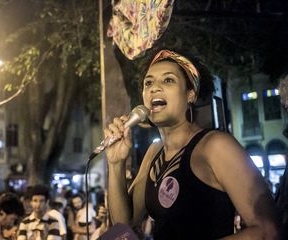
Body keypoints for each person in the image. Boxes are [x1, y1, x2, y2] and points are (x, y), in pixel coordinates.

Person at [105, 49, 281, 239]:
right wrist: (116, 164)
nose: (154, 88)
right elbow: (124, 224)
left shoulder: (215, 146)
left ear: (191, 94)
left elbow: (268, 231)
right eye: (148, 82)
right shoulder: (154, 152)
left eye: (168, 80)